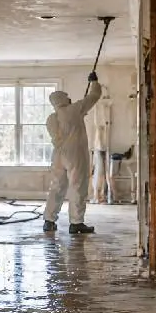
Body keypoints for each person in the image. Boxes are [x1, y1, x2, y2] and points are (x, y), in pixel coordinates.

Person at [43, 72, 103, 234]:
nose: (69, 99)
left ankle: (49, 221)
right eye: (67, 97)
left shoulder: (51, 118)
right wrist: (94, 81)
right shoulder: (74, 109)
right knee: (77, 186)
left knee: (56, 187)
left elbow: (67, 124)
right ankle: (76, 222)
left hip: (58, 155)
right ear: (63, 100)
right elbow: (94, 95)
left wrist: (80, 112)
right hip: (74, 154)